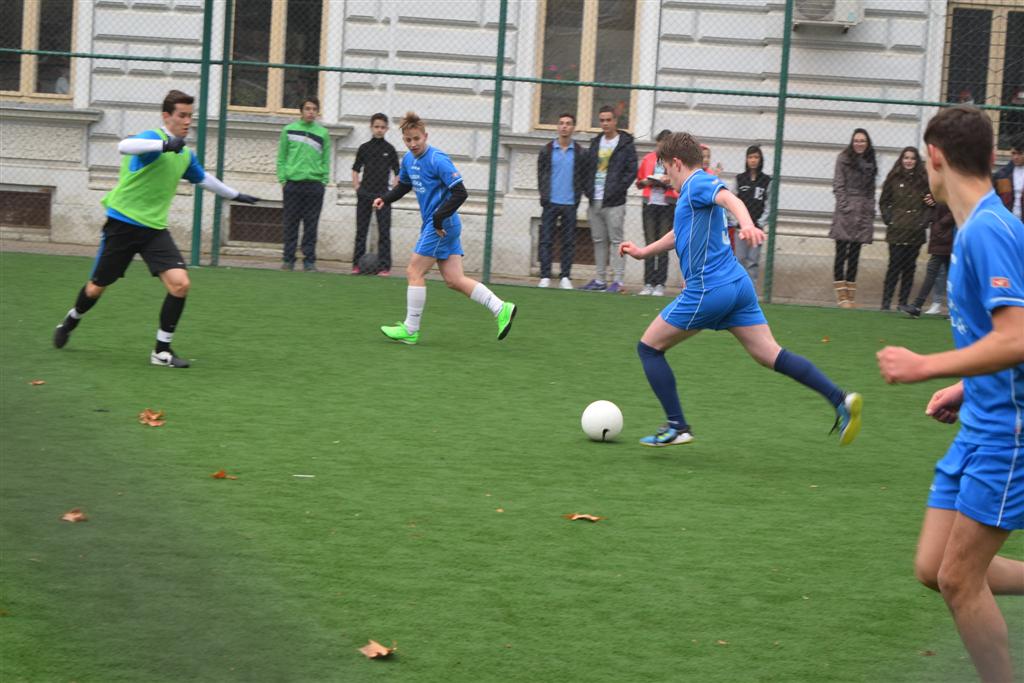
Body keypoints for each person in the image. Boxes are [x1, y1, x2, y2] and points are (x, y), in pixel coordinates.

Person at [877, 105, 1024, 683]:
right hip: (978, 423)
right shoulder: (977, 227)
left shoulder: (989, 230)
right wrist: (965, 384)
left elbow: (1017, 336)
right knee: (933, 566)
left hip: (1008, 434)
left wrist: (927, 367)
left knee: (959, 580)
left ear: (934, 157)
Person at [619, 132, 862, 448]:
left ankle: (677, 426)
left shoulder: (697, 182)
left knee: (649, 348)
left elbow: (730, 199)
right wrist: (643, 252)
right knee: (770, 354)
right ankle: (839, 399)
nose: (667, 177)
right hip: (737, 286)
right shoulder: (692, 194)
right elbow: (679, 233)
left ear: (677, 163)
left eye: (666, 168)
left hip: (709, 290)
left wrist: (747, 224)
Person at [51, 90, 259, 367]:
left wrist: (235, 195)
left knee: (180, 284)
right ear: (166, 116)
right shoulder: (153, 140)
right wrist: (163, 145)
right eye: (182, 115)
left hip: (154, 230)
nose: (187, 121)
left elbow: (204, 179)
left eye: (190, 116)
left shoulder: (184, 154)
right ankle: (71, 319)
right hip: (123, 225)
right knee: (95, 289)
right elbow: (125, 146)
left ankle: (162, 351)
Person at [373, 112, 516, 344]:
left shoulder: (437, 159)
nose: (413, 144)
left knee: (414, 271)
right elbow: (405, 185)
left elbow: (460, 192)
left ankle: (410, 329)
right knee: (454, 279)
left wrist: (438, 219)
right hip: (439, 223)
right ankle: (501, 308)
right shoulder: (408, 160)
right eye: (408, 140)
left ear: (425, 136)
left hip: (441, 224)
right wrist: (386, 199)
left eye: (417, 139)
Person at [581, 105, 637, 293]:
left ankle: (618, 281)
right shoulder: (596, 142)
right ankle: (600, 280)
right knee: (598, 240)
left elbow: (631, 171)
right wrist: (588, 190)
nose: (605, 123)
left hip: (615, 202)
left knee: (616, 241)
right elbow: (587, 168)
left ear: (615, 121)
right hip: (595, 200)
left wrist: (617, 190)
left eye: (608, 120)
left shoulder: (625, 144)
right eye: (602, 120)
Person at [277, 96, 331, 272]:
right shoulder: (288, 130)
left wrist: (323, 180)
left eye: (314, 109)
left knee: (311, 225)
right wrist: (283, 179)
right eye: (307, 109)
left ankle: (309, 261)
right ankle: (288, 260)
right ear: (301, 111)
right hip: (293, 184)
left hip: (315, 185)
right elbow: (281, 158)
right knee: (290, 223)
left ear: (317, 112)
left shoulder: (323, 133)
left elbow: (326, 159)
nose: (311, 112)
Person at [536, 112, 588, 289]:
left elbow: (582, 176)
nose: (564, 126)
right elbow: (541, 175)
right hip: (550, 202)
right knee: (546, 240)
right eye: (561, 123)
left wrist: (578, 197)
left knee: (568, 241)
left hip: (570, 203)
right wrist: (544, 195)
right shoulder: (547, 150)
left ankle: (565, 276)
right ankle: (545, 276)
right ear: (558, 127)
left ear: (573, 128)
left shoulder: (580, 152)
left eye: (568, 123)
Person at [829, 128, 877, 308]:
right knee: (841, 252)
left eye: (863, 141)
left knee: (855, 254)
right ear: (852, 142)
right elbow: (838, 184)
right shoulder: (843, 158)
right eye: (856, 140)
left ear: (867, 143)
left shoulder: (870, 161)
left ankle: (851, 296)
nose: (859, 144)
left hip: (863, 211)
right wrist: (845, 206)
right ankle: (841, 296)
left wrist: (870, 208)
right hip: (846, 210)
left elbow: (871, 189)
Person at [878, 146, 930, 310]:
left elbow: (930, 204)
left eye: (912, 158)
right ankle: (886, 302)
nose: (909, 161)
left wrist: (923, 222)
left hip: (915, 231)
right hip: (897, 230)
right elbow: (884, 202)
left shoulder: (924, 180)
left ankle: (903, 302)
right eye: (906, 158)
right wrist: (890, 219)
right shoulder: (893, 178)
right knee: (894, 266)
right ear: (901, 160)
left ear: (917, 161)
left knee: (909, 268)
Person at [352, 112, 400, 276]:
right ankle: (357, 265)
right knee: (361, 231)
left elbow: (397, 171)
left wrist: (392, 191)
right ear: (371, 128)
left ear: (386, 129)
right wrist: (357, 188)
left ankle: (384, 267)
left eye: (382, 127)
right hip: (365, 193)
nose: (379, 130)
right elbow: (356, 169)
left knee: (384, 232)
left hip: (383, 196)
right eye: (376, 127)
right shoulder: (364, 148)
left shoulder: (390, 149)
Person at [635, 129, 678, 296]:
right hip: (650, 204)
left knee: (663, 244)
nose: (662, 146)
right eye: (660, 143)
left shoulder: (675, 162)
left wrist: (669, 181)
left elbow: (679, 182)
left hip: (667, 205)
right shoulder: (648, 158)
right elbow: (639, 182)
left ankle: (660, 283)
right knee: (650, 243)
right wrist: (646, 182)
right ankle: (648, 283)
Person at [900, 201, 955, 318]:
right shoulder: (940, 196)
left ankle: (918, 305)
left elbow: (954, 211)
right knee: (941, 273)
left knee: (948, 274)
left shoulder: (951, 194)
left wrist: (940, 224)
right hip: (941, 238)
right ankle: (918, 305)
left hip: (946, 237)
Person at [729, 145, 772, 284]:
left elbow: (769, 206)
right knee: (740, 260)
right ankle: (738, 290)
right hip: (740, 229)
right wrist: (736, 222)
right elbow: (731, 202)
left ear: (760, 159)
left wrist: (760, 224)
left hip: (757, 229)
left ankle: (750, 291)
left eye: (756, 157)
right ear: (746, 159)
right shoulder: (739, 179)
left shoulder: (767, 181)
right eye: (750, 157)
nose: (753, 160)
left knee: (753, 262)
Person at [992, 133, 1023, 222]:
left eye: (1020, 153)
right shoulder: (1002, 175)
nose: (1015, 157)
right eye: (1013, 153)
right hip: (1006, 221)